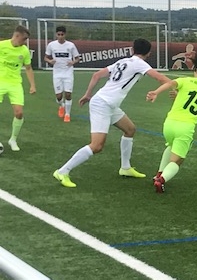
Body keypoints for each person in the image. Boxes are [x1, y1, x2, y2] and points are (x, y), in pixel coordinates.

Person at [53, 38, 172, 188]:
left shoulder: (122, 61)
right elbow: (162, 79)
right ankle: (62, 171)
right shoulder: (140, 63)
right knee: (97, 145)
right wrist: (176, 87)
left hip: (109, 104)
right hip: (103, 104)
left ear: (132, 50)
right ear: (149, 53)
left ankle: (125, 168)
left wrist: (88, 94)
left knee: (130, 130)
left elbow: (96, 75)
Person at [146, 50, 197, 193]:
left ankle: (159, 174)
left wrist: (156, 92)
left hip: (169, 124)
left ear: (196, 69)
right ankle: (161, 180)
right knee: (177, 160)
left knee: (171, 146)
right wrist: (180, 96)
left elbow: (170, 84)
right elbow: (192, 105)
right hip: (185, 127)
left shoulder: (186, 81)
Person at [0, 25, 36, 152]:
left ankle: (13, 139)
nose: (25, 42)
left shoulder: (24, 51)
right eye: (24, 39)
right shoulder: (2, 45)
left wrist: (32, 85)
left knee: (19, 113)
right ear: (16, 36)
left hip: (15, 84)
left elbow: (28, 68)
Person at [44, 25, 80, 122]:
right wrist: (50, 61)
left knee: (68, 94)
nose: (60, 36)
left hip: (68, 72)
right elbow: (46, 57)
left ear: (65, 35)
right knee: (59, 96)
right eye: (58, 34)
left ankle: (67, 114)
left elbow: (77, 58)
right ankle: (61, 105)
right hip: (57, 73)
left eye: (62, 34)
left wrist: (73, 62)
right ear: (56, 34)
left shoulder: (71, 45)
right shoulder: (51, 45)